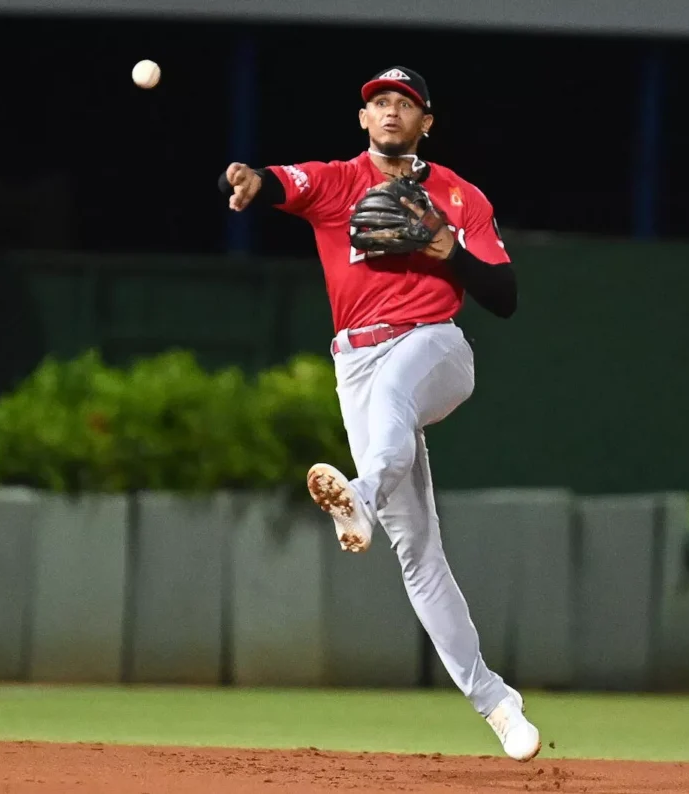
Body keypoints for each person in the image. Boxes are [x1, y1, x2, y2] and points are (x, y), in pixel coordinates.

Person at [221, 66, 539, 762]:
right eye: (380, 104)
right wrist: (247, 179)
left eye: (405, 104)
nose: (391, 112)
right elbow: (278, 181)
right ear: (364, 120)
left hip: (436, 347)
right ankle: (497, 704)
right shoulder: (337, 182)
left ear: (428, 122)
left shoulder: (459, 194)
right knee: (419, 555)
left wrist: (444, 247)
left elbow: (505, 293)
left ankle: (358, 494)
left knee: (395, 402)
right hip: (353, 363)